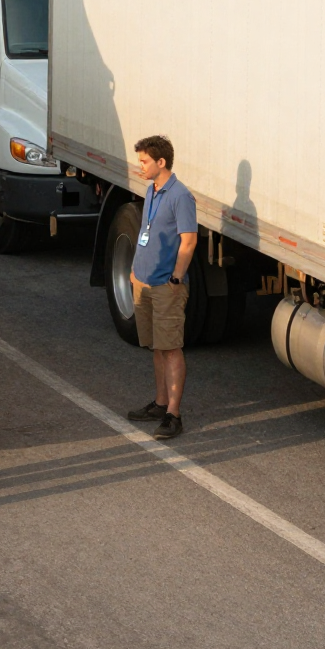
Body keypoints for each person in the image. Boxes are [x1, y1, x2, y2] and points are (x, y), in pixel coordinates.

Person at [126, 135, 197, 440]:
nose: (139, 166)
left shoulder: (181, 196)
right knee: (156, 346)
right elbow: (147, 230)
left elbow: (189, 240)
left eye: (144, 161)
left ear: (161, 162)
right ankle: (160, 402)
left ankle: (173, 414)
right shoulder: (152, 189)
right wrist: (134, 272)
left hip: (166, 285)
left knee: (170, 349)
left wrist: (176, 278)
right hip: (142, 280)